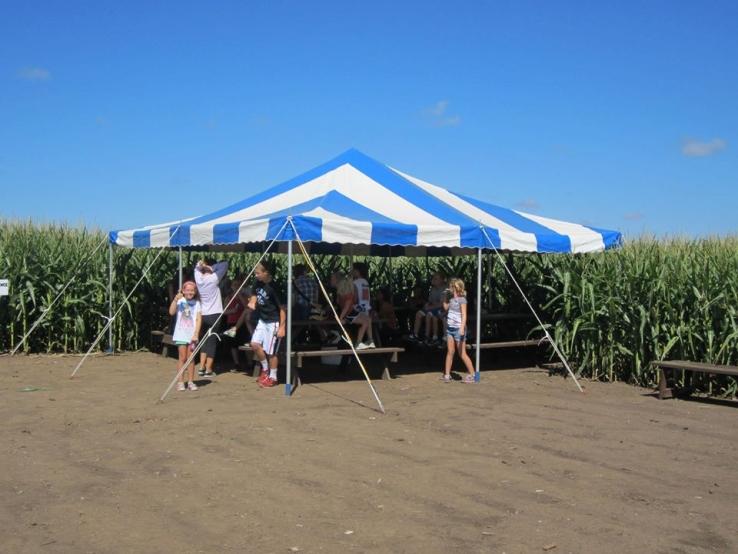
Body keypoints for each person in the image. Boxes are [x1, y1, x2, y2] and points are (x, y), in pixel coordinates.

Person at [249, 261, 286, 388]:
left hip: (273, 321)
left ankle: (273, 377)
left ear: (266, 273)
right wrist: (253, 302)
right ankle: (265, 370)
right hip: (262, 319)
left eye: (258, 273)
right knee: (254, 344)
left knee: (271, 352)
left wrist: (282, 327)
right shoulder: (258, 283)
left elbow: (282, 308)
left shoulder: (274, 288)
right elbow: (254, 294)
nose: (256, 275)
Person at [194, 258, 228, 378]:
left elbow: (196, 267)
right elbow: (225, 264)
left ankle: (201, 367)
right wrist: (211, 267)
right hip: (214, 314)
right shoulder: (213, 279)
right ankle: (208, 369)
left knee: (204, 340)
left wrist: (202, 265)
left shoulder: (198, 279)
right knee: (212, 341)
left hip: (203, 314)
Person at [168, 281, 202, 391]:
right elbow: (171, 312)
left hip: (192, 335)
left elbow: (198, 319)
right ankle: (180, 382)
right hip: (181, 334)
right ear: (183, 291)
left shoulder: (197, 303)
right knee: (182, 358)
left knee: (191, 359)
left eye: (192, 290)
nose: (190, 292)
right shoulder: (180, 301)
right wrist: (175, 299)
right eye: (187, 290)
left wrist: (196, 334)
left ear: (195, 291)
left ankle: (191, 381)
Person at [442, 278, 476, 383]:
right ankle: (447, 374)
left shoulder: (462, 300)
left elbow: (464, 315)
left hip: (458, 329)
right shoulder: (451, 299)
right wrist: (445, 297)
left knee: (462, 353)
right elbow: (445, 308)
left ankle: (473, 374)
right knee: (450, 352)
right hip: (450, 328)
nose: (451, 288)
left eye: (452, 287)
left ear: (457, 288)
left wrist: (462, 328)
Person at [410, 273, 446, 345]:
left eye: (436, 279)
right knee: (418, 313)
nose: (433, 280)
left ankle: (428, 336)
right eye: (433, 278)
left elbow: (441, 304)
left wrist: (430, 307)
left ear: (442, 280)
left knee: (429, 315)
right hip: (432, 308)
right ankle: (415, 334)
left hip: (440, 309)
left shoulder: (445, 290)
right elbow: (430, 301)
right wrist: (427, 305)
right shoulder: (432, 289)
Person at [222, 278, 248, 370]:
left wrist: (239, 295)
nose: (236, 287)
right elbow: (224, 311)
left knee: (245, 342)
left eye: (238, 285)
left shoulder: (244, 296)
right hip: (232, 322)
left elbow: (247, 306)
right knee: (233, 344)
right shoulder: (228, 297)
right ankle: (236, 363)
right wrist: (232, 311)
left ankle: (249, 362)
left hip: (243, 322)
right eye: (235, 285)